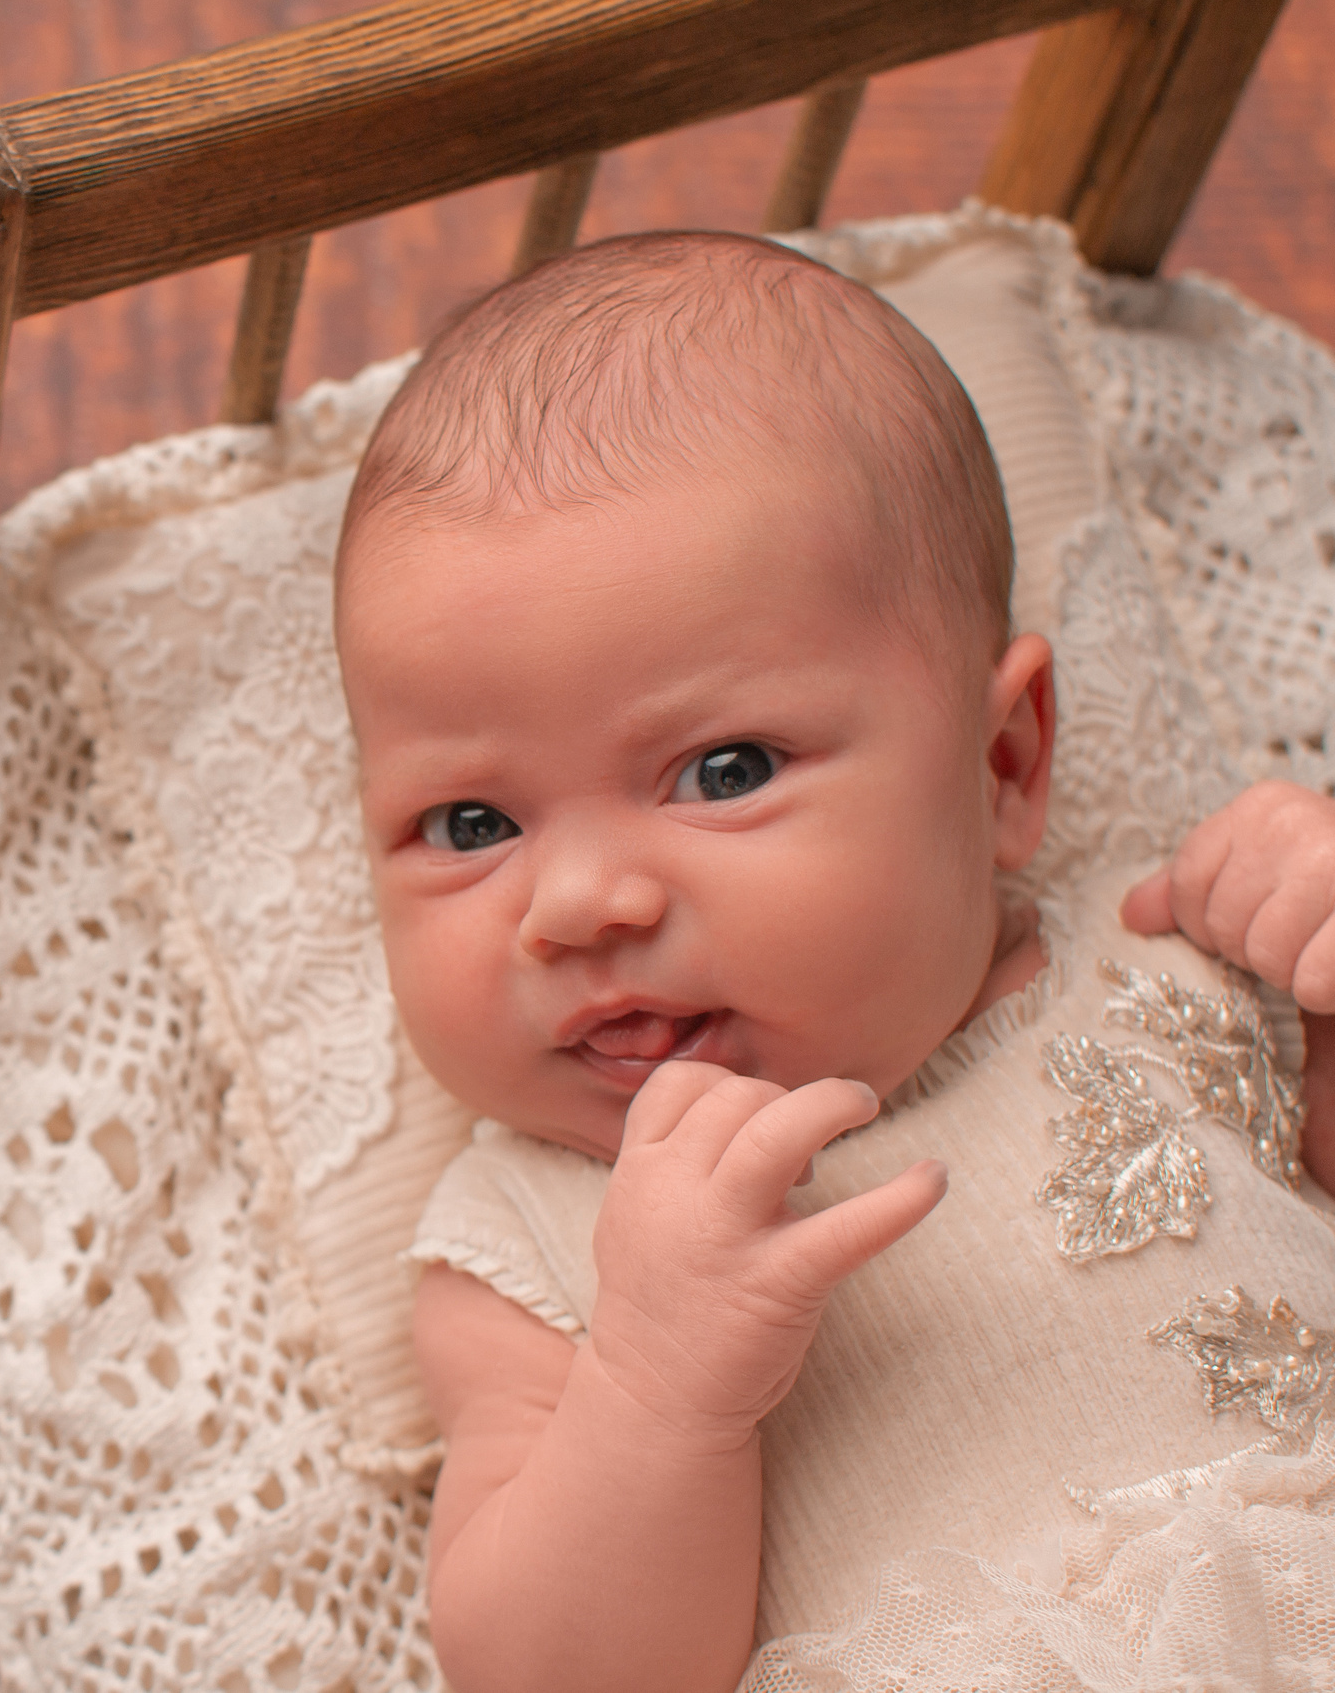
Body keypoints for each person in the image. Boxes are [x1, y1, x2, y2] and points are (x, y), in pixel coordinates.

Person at [335, 229, 1335, 1693]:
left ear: (1003, 763)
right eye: (470, 824)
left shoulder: (1168, 964)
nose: (582, 905)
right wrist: (656, 1389)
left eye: (725, 770)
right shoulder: (534, 1234)